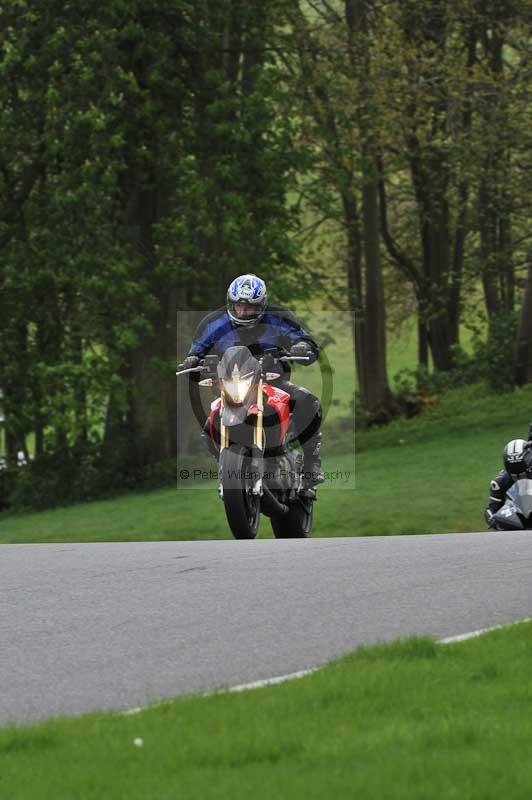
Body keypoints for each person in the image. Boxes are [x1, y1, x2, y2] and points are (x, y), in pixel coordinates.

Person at [182, 274, 324, 498]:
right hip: (230, 384)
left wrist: (302, 347)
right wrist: (192, 360)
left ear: (262, 305)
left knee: (309, 401)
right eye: (238, 305)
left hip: (272, 381)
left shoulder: (278, 317)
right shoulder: (214, 322)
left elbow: (303, 339)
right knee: (209, 425)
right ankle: (227, 466)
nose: (242, 311)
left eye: (249, 307)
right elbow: (196, 350)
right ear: (231, 302)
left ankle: (311, 465)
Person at [485, 438, 532, 528]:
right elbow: (491, 509)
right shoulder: (500, 481)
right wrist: (493, 519)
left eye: (520, 467)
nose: (517, 471)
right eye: (513, 467)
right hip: (517, 521)